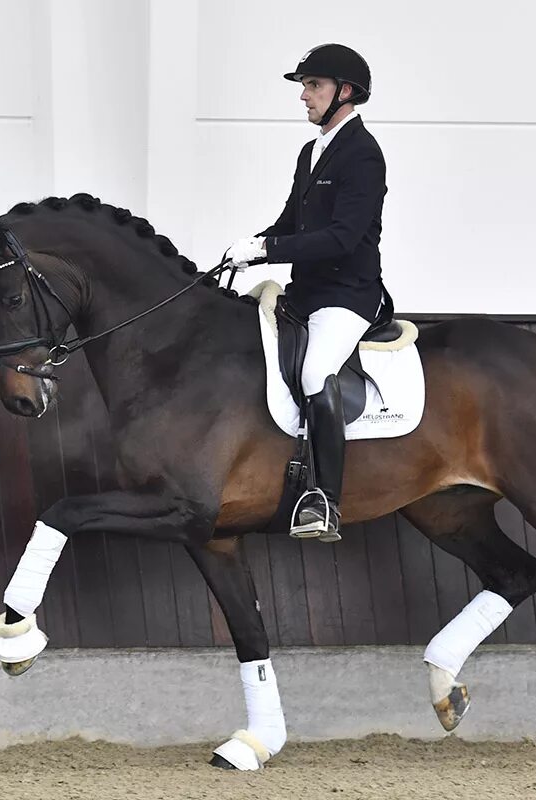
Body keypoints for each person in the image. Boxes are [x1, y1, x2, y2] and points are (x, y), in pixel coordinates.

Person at [225, 43, 392, 543]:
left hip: (348, 293)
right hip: (305, 291)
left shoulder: (363, 154)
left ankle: (324, 500)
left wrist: (268, 246)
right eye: (304, 86)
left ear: (346, 92)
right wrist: (250, 247)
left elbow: (341, 237)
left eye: (313, 85)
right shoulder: (312, 151)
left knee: (317, 370)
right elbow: (290, 223)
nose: (303, 95)